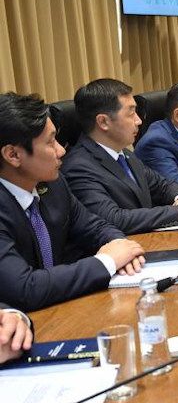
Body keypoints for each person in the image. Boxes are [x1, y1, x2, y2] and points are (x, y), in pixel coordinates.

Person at [0, 92, 145, 311]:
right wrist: (107, 262)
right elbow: (25, 288)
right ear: (13, 155)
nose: (61, 151)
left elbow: (94, 226)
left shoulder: (54, 185)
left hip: (62, 309)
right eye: (50, 142)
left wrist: (120, 246)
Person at [62, 79, 178, 235]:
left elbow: (163, 185)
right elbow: (113, 219)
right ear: (103, 122)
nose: (139, 120)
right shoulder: (78, 167)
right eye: (131, 113)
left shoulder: (124, 154)